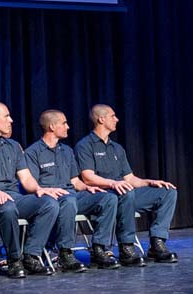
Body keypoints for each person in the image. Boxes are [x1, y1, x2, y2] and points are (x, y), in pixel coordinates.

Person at [0, 101, 60, 278]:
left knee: (49, 203)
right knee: (8, 208)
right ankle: (14, 260)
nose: (11, 120)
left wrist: (39, 189)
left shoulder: (13, 146)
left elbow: (25, 177)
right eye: (7, 116)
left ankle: (31, 255)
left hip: (14, 195)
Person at [75, 105, 179, 266]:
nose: (116, 119)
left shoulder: (117, 148)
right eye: (113, 116)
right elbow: (88, 178)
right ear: (101, 119)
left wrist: (149, 182)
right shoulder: (85, 145)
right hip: (104, 196)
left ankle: (157, 243)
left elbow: (129, 178)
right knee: (125, 192)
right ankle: (126, 247)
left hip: (124, 194)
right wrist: (113, 183)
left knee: (168, 191)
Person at [25, 110, 119, 271]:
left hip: (72, 196)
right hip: (51, 199)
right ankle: (65, 253)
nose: (68, 127)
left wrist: (88, 187)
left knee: (107, 197)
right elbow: (32, 185)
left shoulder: (66, 151)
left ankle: (99, 249)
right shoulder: (33, 152)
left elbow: (75, 181)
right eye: (64, 123)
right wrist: (48, 190)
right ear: (52, 126)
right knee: (68, 200)